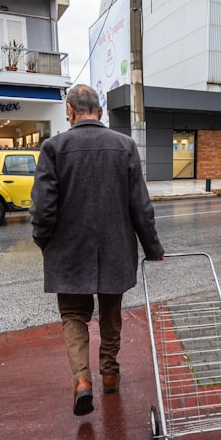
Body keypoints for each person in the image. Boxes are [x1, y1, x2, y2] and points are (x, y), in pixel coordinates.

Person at [31, 84, 165, 416]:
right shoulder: (124, 146)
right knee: (110, 315)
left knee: (74, 316)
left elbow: (42, 209)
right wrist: (152, 247)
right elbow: (140, 207)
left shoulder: (53, 148)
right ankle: (109, 374)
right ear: (101, 112)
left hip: (68, 251)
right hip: (115, 250)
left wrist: (45, 242)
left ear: (71, 112)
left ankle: (81, 382)